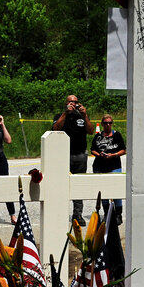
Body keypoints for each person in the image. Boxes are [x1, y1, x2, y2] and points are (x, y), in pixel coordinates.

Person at [52, 94, 96, 226]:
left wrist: (85, 115)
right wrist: (66, 113)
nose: (73, 104)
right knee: (60, 184)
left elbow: (90, 131)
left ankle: (77, 215)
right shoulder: (59, 116)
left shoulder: (81, 116)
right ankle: (58, 213)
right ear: (66, 103)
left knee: (78, 185)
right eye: (70, 102)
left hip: (80, 155)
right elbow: (55, 129)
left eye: (76, 102)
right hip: (63, 155)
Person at [90, 114, 126, 224]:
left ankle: (118, 214)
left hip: (114, 165)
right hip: (100, 166)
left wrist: (114, 154)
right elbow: (92, 150)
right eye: (106, 123)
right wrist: (99, 154)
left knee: (116, 190)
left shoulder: (117, 135)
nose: (108, 125)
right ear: (102, 124)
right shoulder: (98, 136)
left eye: (110, 123)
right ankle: (106, 213)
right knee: (103, 191)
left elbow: (123, 150)